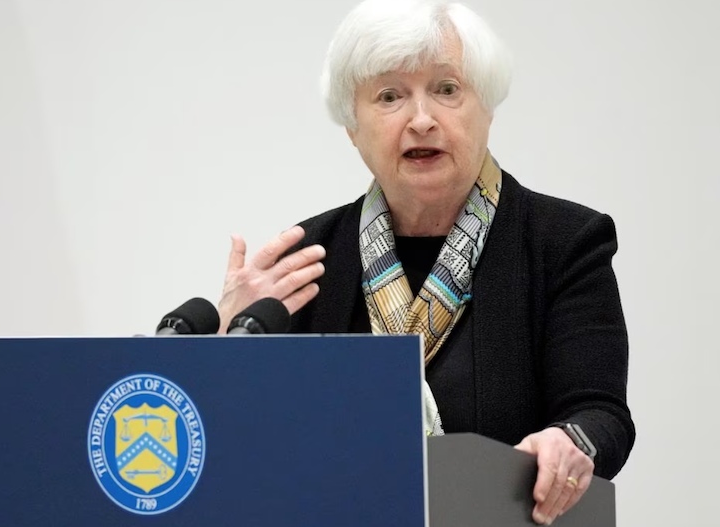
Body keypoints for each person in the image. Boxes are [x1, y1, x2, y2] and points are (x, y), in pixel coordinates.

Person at [215, 0, 635, 524]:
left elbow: (602, 415)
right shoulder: (308, 260)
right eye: (389, 96)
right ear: (352, 126)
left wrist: (569, 441)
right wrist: (225, 350)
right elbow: (247, 440)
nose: (421, 119)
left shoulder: (564, 242)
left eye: (447, 89)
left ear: (488, 106)